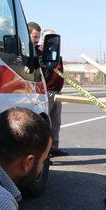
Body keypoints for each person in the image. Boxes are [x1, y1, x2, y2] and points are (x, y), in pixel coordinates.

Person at [41, 28, 67, 157]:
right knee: (45, 123)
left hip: (57, 92)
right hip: (45, 92)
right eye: (48, 37)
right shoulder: (39, 53)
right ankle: (44, 151)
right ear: (43, 39)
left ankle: (54, 148)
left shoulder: (57, 55)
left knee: (56, 122)